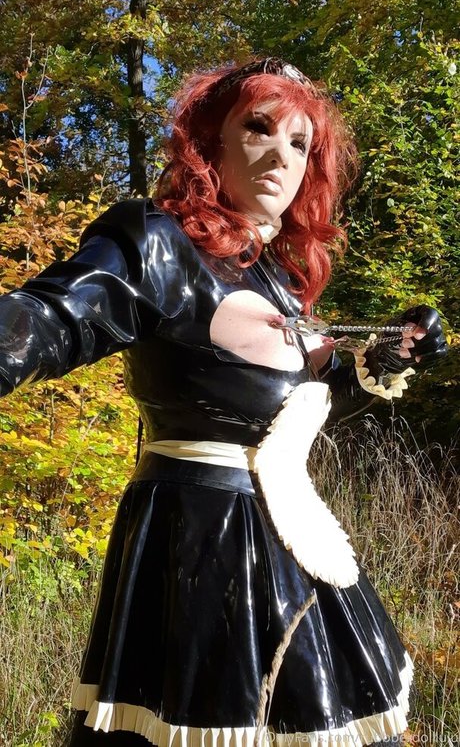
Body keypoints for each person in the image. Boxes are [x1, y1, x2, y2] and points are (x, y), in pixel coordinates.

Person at [0, 58, 447, 747]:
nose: (281, 155)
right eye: (258, 128)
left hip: (296, 544)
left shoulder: (278, 283)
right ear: (211, 142)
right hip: (203, 547)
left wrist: (390, 352)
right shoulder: (157, 242)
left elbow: (290, 414)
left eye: (299, 143)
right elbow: (53, 316)